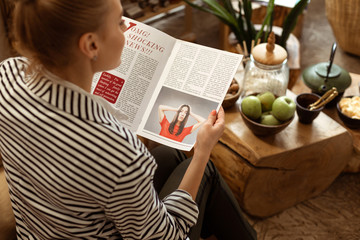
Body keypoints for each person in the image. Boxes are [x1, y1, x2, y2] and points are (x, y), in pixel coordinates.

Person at [0, 0, 257, 239]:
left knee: (173, 155)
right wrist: (202, 152)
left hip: (42, 229)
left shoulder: (7, 75)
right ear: (91, 45)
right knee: (205, 170)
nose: (128, 29)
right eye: (120, 22)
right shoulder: (119, 151)